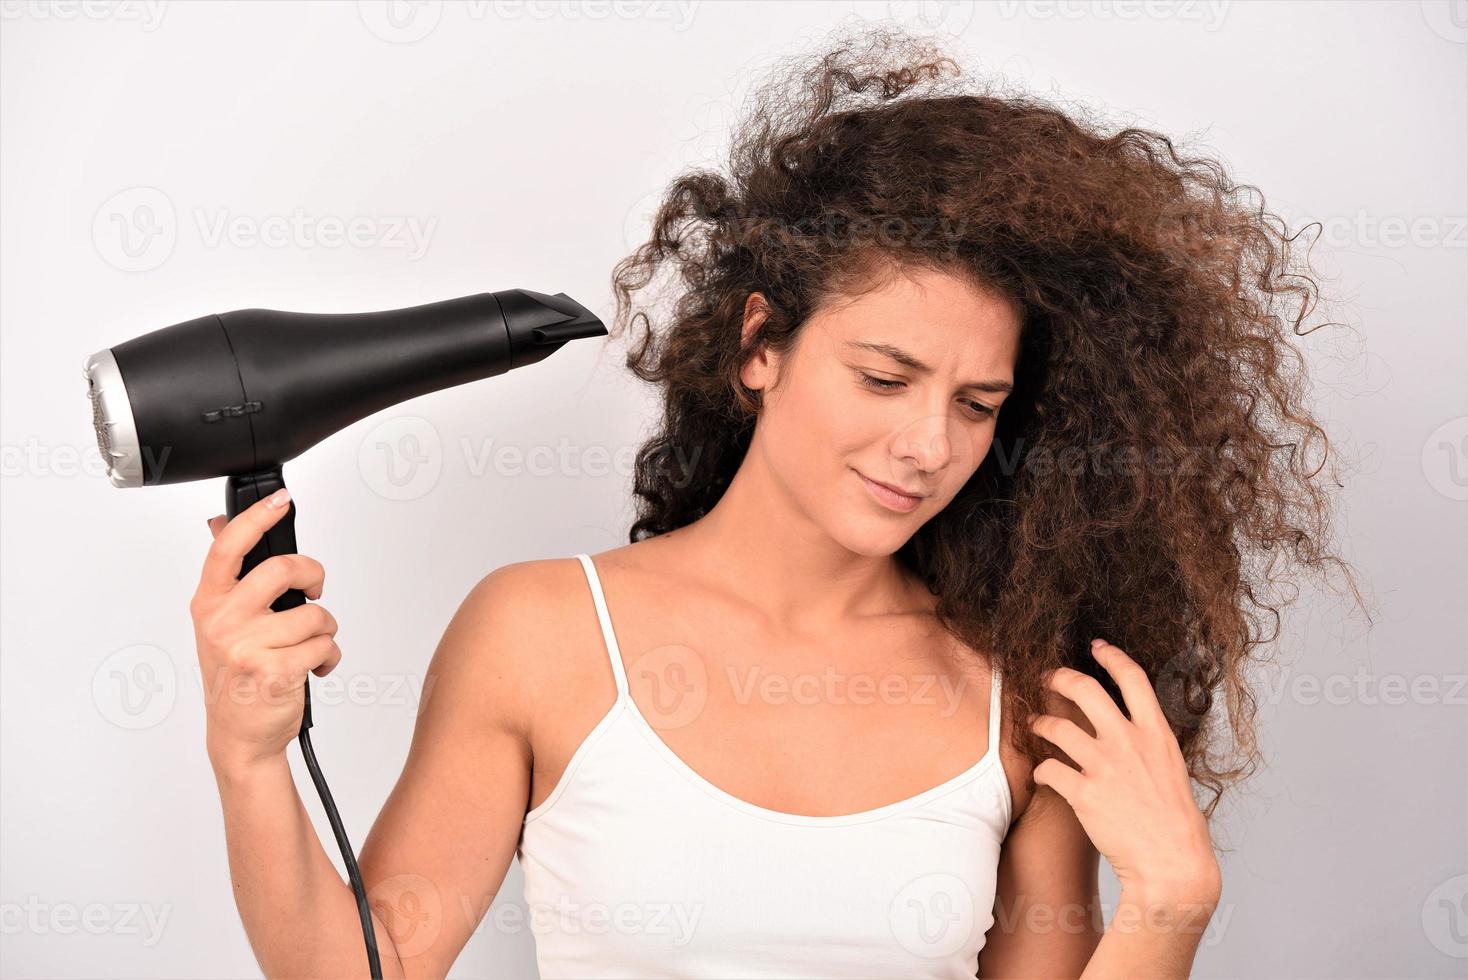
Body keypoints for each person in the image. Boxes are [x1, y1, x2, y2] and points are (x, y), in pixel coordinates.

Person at [189, 25, 1367, 979]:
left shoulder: (1020, 686)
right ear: (761, 342)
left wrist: (1170, 904)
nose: (925, 443)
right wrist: (250, 757)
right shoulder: (541, 634)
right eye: (884, 375)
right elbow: (365, 968)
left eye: (976, 402)